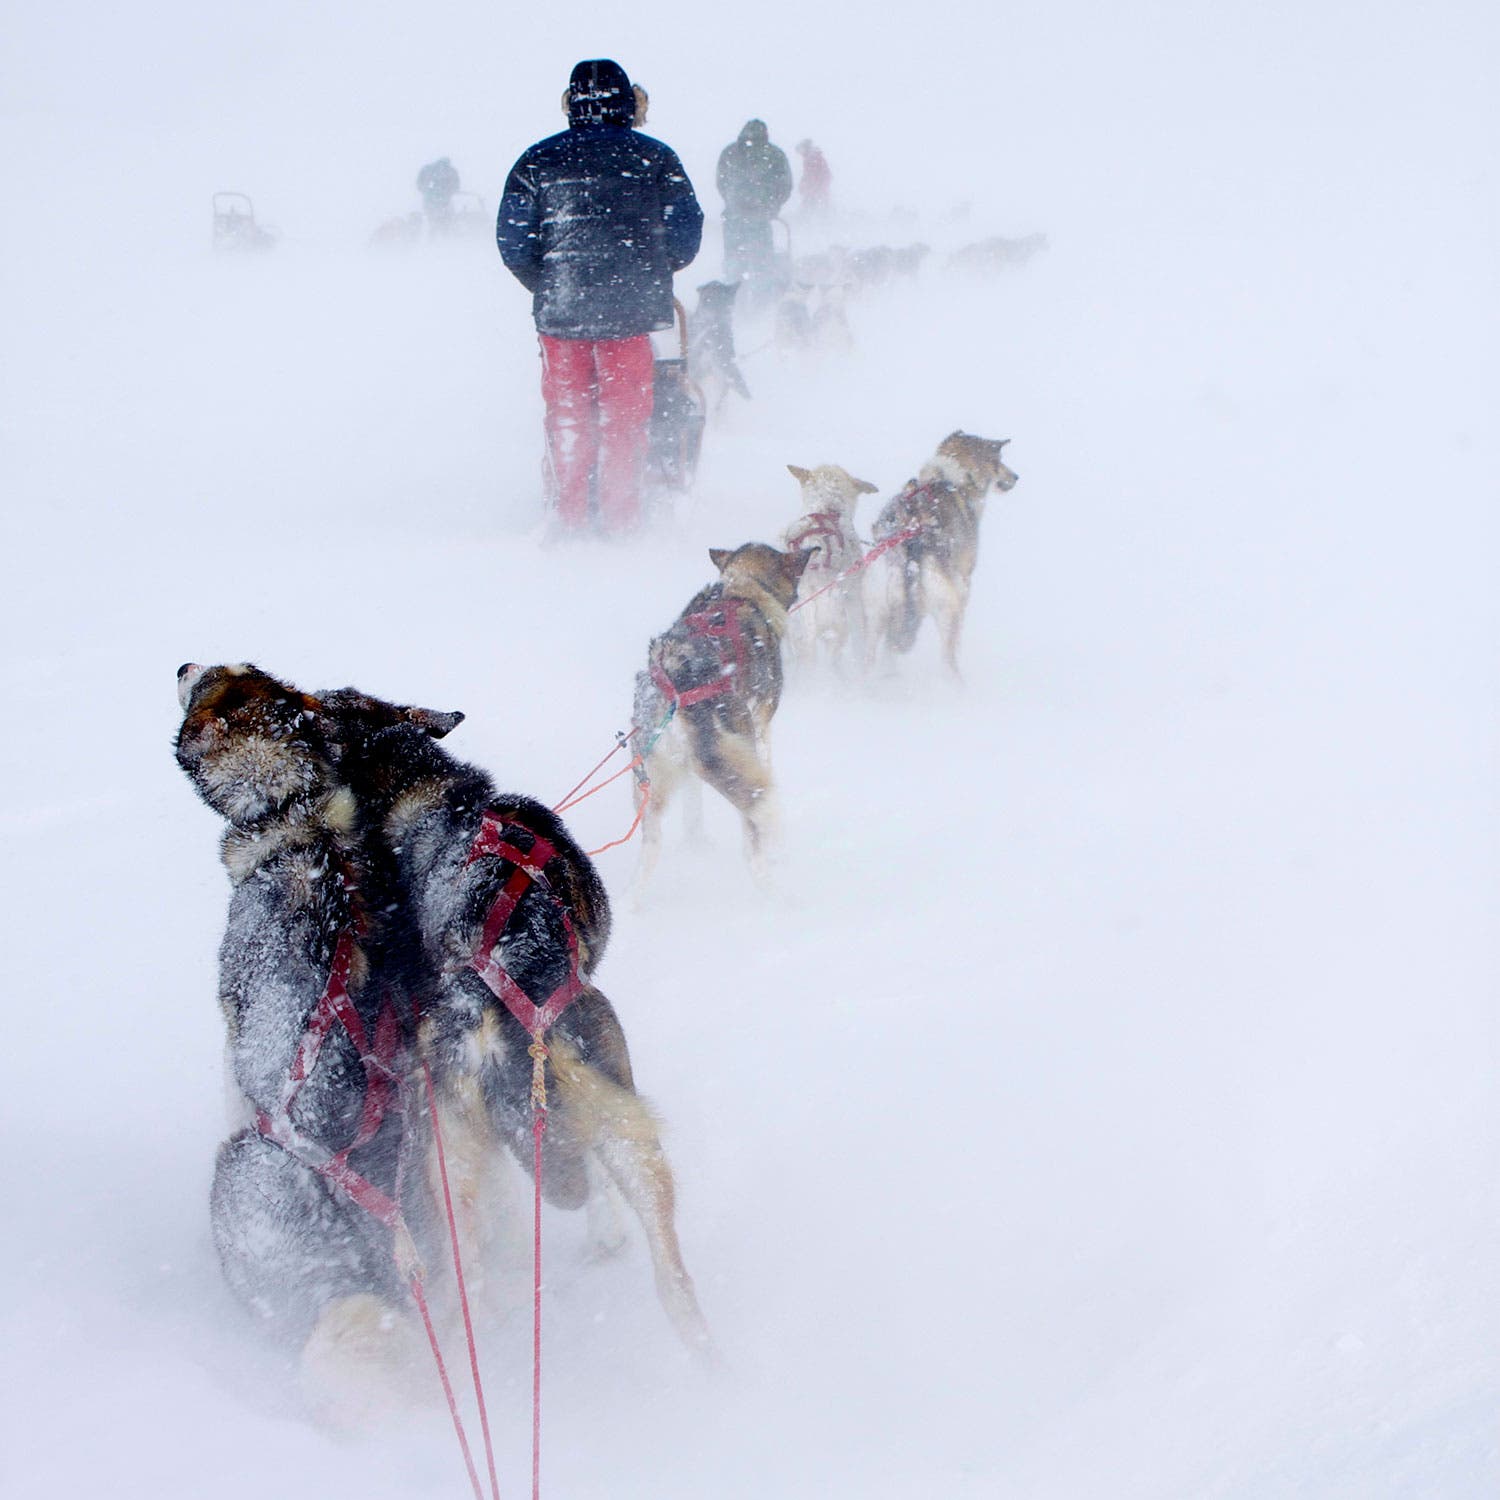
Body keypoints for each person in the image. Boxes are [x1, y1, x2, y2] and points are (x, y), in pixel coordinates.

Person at [498, 59, 703, 536]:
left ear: (572, 103)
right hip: (629, 312)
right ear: (629, 102)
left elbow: (513, 241)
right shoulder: (656, 158)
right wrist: (648, 270)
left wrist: (550, 281)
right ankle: (621, 521)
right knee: (625, 420)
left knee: (569, 415)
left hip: (561, 315)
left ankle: (566, 519)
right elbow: (685, 235)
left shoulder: (537, 159)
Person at [715, 120, 792, 284]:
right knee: (762, 263)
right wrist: (771, 206)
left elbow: (721, 182)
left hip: (734, 216)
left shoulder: (730, 152)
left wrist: (732, 202)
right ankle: (762, 302)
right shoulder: (774, 154)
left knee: (734, 261)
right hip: (760, 216)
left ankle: (732, 297)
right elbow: (785, 186)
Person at [416, 157, 461, 235]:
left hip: (430, 201)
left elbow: (420, 184)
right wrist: (448, 192)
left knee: (432, 222)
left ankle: (433, 236)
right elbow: (456, 186)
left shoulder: (428, 169)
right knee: (446, 222)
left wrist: (427, 191)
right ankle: (444, 236)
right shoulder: (450, 171)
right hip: (445, 201)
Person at [795, 139, 831, 218]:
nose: (800, 154)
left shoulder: (811, 159)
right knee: (820, 210)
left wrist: (809, 189)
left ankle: (811, 225)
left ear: (805, 148)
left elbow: (810, 176)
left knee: (809, 212)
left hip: (815, 192)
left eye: (800, 150)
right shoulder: (813, 157)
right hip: (818, 191)